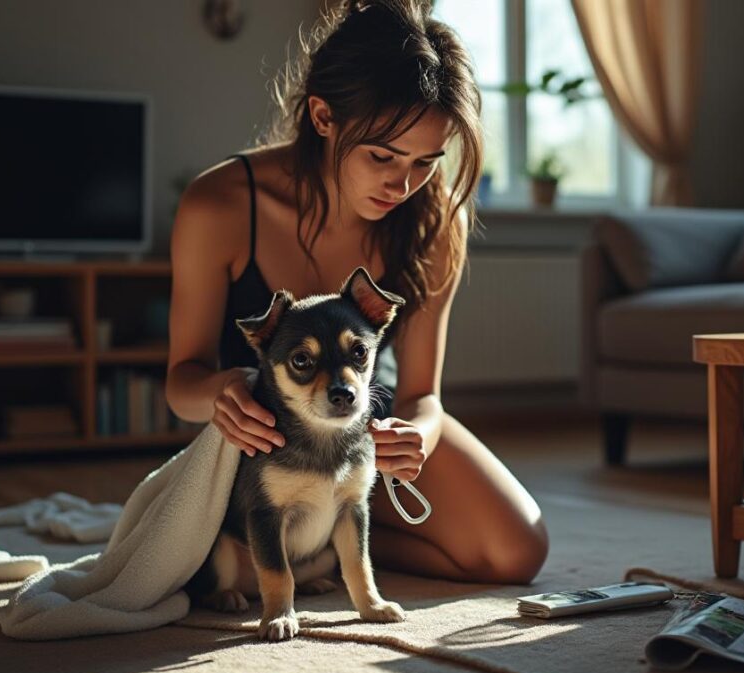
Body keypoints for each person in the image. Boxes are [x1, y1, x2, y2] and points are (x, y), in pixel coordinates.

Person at [165, 0, 548, 584]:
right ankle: (323, 542)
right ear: (323, 116)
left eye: (426, 161)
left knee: (519, 551)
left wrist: (413, 439)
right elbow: (181, 384)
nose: (404, 184)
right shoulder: (218, 204)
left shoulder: (435, 218)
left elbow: (422, 396)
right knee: (206, 567)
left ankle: (341, 541)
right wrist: (222, 391)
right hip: (260, 434)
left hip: (369, 422)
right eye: (382, 156)